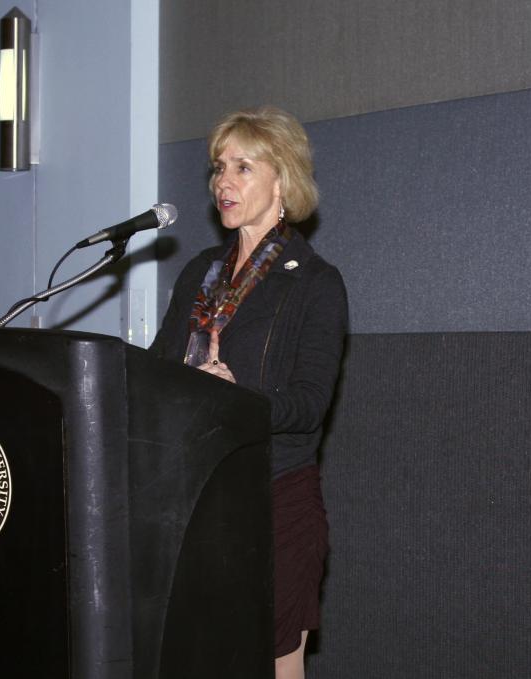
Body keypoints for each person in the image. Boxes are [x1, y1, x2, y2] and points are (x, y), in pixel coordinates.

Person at [150, 106, 347, 679]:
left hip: (275, 499)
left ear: (282, 180)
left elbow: (310, 404)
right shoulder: (200, 274)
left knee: (273, 664)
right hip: (197, 495)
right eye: (218, 167)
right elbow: (159, 367)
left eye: (242, 166)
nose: (222, 182)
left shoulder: (314, 283)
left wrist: (240, 396)